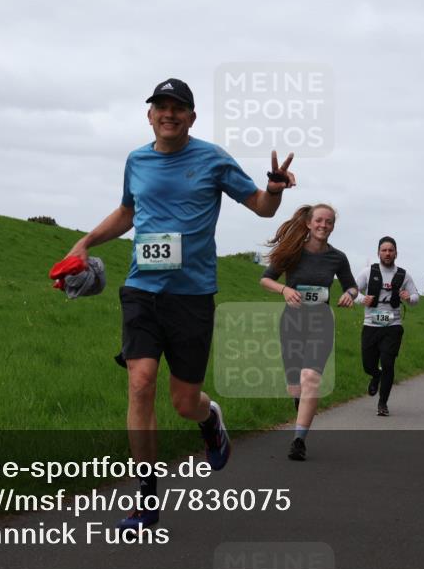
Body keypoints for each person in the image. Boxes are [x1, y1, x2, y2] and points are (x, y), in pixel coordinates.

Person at [66, 78, 295, 531]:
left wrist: (274, 189)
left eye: (178, 108)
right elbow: (128, 212)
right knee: (140, 383)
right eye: (160, 107)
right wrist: (86, 242)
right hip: (141, 290)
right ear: (149, 115)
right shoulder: (137, 160)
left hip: (192, 296)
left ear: (191, 116)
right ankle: (146, 500)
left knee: (184, 401)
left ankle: (209, 419)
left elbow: (261, 208)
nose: (168, 114)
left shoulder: (211, 159)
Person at [259, 204, 357, 460]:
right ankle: (300, 407)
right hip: (292, 323)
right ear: (309, 223)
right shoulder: (293, 251)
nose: (324, 225)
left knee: (310, 378)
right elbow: (266, 278)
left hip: (321, 322)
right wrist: (284, 290)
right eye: (319, 221)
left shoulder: (338, 257)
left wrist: (349, 294)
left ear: (333, 226)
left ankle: (298, 440)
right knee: (295, 385)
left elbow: (352, 286)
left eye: (329, 222)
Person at [354, 236, 419, 415]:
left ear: (396, 253)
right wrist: (362, 299)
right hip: (371, 325)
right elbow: (352, 290)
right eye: (384, 250)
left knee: (388, 363)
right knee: (368, 364)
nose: (387, 253)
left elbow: (416, 297)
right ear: (378, 253)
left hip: (393, 325)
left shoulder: (403, 275)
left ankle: (383, 404)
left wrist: (409, 298)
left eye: (391, 250)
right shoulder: (368, 272)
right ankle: (376, 375)